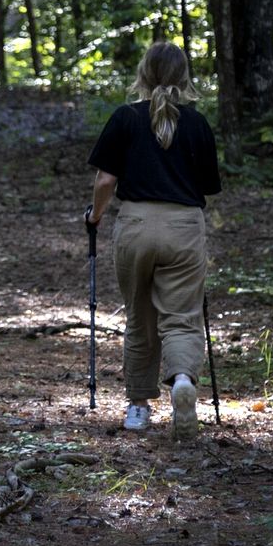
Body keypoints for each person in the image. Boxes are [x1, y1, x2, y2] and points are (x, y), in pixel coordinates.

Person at [85, 41, 221, 440]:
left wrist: (95, 216)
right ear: (184, 76)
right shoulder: (197, 123)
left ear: (143, 73)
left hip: (136, 224)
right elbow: (208, 187)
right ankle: (182, 380)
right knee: (181, 317)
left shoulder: (125, 118)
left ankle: (138, 407)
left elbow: (106, 180)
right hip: (184, 226)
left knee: (139, 316)